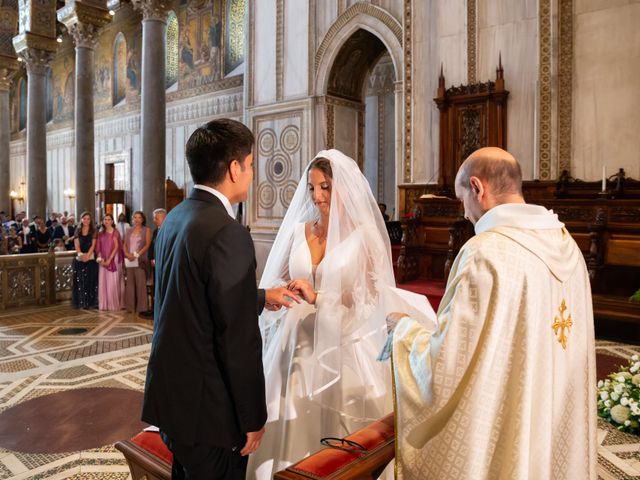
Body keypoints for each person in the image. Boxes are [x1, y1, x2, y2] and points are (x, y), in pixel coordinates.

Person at [385, 147, 596, 479]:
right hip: (552, 414)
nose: (466, 213)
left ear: (477, 188)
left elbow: (448, 364)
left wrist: (404, 331)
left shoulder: (484, 253)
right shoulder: (567, 243)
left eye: (462, 200)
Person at [142, 118, 298, 480]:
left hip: (173, 402)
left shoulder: (176, 218)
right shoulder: (228, 233)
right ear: (233, 168)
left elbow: (192, 297)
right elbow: (237, 340)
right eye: (250, 164)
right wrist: (254, 418)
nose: (251, 173)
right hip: (209, 414)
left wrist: (259, 297)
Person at [248, 149, 400, 479]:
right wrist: (282, 288)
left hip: (342, 344)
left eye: (325, 187)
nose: (318, 196)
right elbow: (279, 274)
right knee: (284, 416)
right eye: (312, 188)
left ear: (343, 187)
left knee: (341, 430)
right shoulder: (299, 230)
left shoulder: (364, 236)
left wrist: (321, 296)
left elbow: (372, 296)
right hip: (296, 340)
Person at [123, 211, 152, 314]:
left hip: (140, 260)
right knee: (129, 284)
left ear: (143, 219)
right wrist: (127, 254)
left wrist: (137, 255)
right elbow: (124, 245)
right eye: (135, 217)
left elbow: (147, 245)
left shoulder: (147, 230)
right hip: (129, 261)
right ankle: (130, 307)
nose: (137, 219)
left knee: (140, 284)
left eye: (139, 217)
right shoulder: (129, 230)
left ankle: (142, 308)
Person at [96, 213, 123, 311]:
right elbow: (98, 247)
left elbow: (116, 247)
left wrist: (109, 260)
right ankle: (104, 304)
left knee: (112, 282)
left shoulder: (115, 232)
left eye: (109, 219)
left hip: (113, 259)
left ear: (112, 221)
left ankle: (113, 304)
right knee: (103, 281)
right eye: (105, 219)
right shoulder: (100, 233)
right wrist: (100, 259)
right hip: (103, 259)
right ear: (103, 221)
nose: (107, 221)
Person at [72, 212, 99, 309]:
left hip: (91, 258)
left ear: (90, 220)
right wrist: (80, 255)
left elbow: (93, 245)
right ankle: (82, 302)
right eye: (84, 218)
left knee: (91, 281)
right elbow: (77, 245)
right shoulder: (77, 230)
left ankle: (91, 303)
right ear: (81, 219)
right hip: (80, 258)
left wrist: (88, 255)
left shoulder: (94, 230)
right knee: (81, 281)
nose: (86, 220)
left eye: (88, 219)